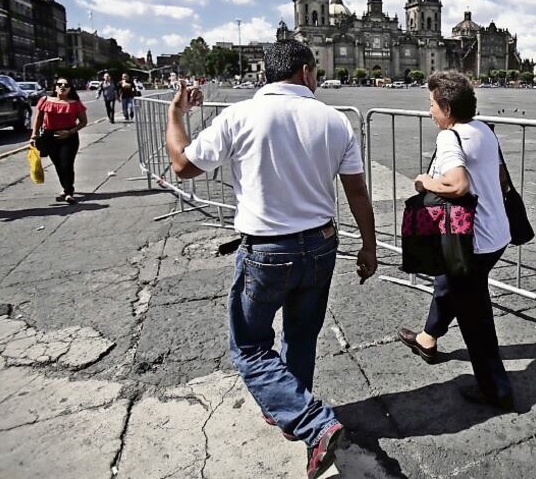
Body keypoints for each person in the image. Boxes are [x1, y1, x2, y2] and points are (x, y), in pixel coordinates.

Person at [165, 40, 378, 479]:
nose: (317, 79)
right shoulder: (335, 121)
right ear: (303, 72)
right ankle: (292, 412)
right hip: (321, 245)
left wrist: (175, 116)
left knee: (248, 346)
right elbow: (356, 190)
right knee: (302, 334)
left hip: (267, 251)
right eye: (315, 72)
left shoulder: (240, 115)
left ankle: (313, 422)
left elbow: (182, 166)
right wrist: (369, 246)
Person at [397, 70, 515, 411]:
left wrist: (423, 183)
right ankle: (427, 340)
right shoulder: (485, 131)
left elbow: (457, 184)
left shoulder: (450, 137)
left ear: (447, 107)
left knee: (475, 317)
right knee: (449, 285)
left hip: (470, 241)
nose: (430, 111)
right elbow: (502, 180)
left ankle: (497, 391)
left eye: (432, 104)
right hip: (496, 233)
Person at [30, 78, 88, 204]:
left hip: (69, 136)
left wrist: (70, 132)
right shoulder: (45, 100)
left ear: (70, 88)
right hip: (49, 136)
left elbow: (83, 122)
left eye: (66, 85)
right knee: (58, 165)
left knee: (66, 164)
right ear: (55, 87)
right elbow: (38, 118)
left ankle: (68, 192)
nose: (62, 87)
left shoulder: (75, 103)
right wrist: (34, 135)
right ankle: (65, 187)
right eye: (59, 84)